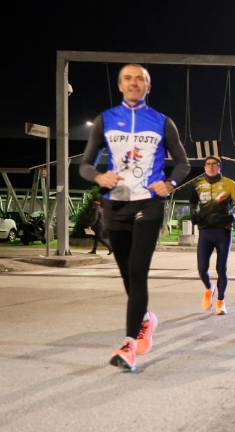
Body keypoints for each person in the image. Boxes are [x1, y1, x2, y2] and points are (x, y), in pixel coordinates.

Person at [79, 63, 190, 371]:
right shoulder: (105, 120)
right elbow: (85, 164)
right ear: (120, 85)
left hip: (149, 203)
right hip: (115, 204)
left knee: (138, 271)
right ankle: (146, 318)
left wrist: (170, 184)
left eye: (140, 78)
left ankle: (130, 345)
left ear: (148, 87)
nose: (133, 83)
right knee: (127, 273)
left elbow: (182, 163)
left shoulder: (162, 122)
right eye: (128, 78)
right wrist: (99, 178)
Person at [190, 156, 235, 315]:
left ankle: (221, 301)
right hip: (205, 231)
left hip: (223, 231)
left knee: (221, 268)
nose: (211, 166)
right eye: (208, 164)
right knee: (202, 269)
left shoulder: (230, 184)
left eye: (215, 164)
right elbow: (192, 203)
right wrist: (193, 214)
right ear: (204, 167)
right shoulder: (197, 185)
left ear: (220, 167)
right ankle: (209, 288)